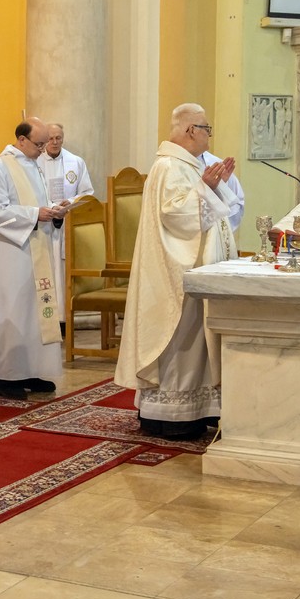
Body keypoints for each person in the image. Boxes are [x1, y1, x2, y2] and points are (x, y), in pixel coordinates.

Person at [115, 103, 238, 439]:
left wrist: (217, 186)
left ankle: (199, 409)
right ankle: (171, 416)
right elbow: (175, 217)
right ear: (189, 131)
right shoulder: (169, 166)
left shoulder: (190, 165)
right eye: (206, 128)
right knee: (180, 339)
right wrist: (206, 190)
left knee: (198, 341)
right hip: (174, 273)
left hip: (197, 269)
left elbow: (217, 214)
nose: (209, 135)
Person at [0, 117, 65, 399]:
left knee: (35, 311)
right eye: (38, 144)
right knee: (13, 309)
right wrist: (34, 214)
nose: (43, 149)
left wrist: (54, 210)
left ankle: (31, 369)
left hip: (35, 247)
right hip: (10, 253)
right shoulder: (0, 168)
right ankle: (7, 376)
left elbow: (36, 203)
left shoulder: (33, 165)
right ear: (22, 140)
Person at [37, 122, 95, 329]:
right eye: (50, 138)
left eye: (58, 138)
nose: (54, 142)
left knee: (62, 273)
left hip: (66, 227)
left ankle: (62, 321)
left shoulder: (75, 162)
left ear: (63, 138)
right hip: (42, 226)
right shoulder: (34, 162)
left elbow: (88, 193)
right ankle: (44, 320)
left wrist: (68, 204)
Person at [201, 149, 245, 232]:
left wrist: (219, 187)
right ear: (191, 135)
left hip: (215, 236)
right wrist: (207, 188)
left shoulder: (216, 164)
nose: (209, 135)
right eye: (207, 134)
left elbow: (237, 205)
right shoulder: (171, 165)